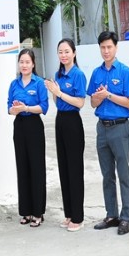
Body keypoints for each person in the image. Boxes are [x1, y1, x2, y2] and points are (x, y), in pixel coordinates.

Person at [87, 31, 129, 235]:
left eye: (109, 47)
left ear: (116, 47)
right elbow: (92, 102)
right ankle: (111, 214)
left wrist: (108, 94)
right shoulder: (97, 73)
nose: (106, 51)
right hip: (102, 128)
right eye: (103, 47)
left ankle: (125, 217)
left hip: (120, 127)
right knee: (107, 174)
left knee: (123, 173)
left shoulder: (125, 72)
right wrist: (99, 97)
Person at [44, 38, 87, 232]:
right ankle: (68, 213)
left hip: (73, 121)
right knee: (64, 168)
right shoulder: (58, 74)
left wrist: (59, 93)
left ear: (74, 53)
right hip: (60, 120)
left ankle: (78, 217)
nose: (63, 55)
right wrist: (53, 91)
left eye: (67, 51)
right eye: (60, 52)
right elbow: (56, 100)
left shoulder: (78, 74)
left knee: (75, 169)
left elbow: (79, 102)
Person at [7, 48, 48, 228]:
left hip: (34, 126)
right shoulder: (14, 84)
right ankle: (26, 211)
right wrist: (15, 109)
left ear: (33, 64)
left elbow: (44, 107)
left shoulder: (39, 83)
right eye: (21, 62)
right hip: (19, 127)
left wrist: (26, 108)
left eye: (27, 62)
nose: (24, 65)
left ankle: (38, 212)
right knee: (22, 167)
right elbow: (9, 107)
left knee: (36, 168)